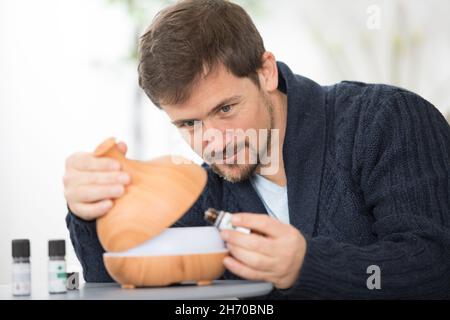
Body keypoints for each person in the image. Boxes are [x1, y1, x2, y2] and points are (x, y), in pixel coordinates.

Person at [64, 0, 450, 299]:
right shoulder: (202, 188)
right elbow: (124, 281)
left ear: (265, 71)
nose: (212, 142)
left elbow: (436, 269)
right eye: (187, 124)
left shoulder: (385, 121)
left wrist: (307, 265)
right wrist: (88, 212)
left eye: (225, 109)